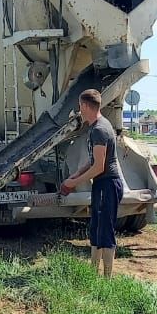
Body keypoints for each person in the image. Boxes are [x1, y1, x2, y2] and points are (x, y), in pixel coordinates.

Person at [60, 89, 123, 277]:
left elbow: (99, 167)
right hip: (101, 185)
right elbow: (92, 160)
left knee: (105, 232)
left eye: (80, 106)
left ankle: (107, 279)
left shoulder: (100, 129)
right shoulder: (96, 127)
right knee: (96, 229)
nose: (79, 110)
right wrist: (76, 173)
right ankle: (93, 273)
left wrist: (73, 183)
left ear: (86, 106)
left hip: (108, 185)